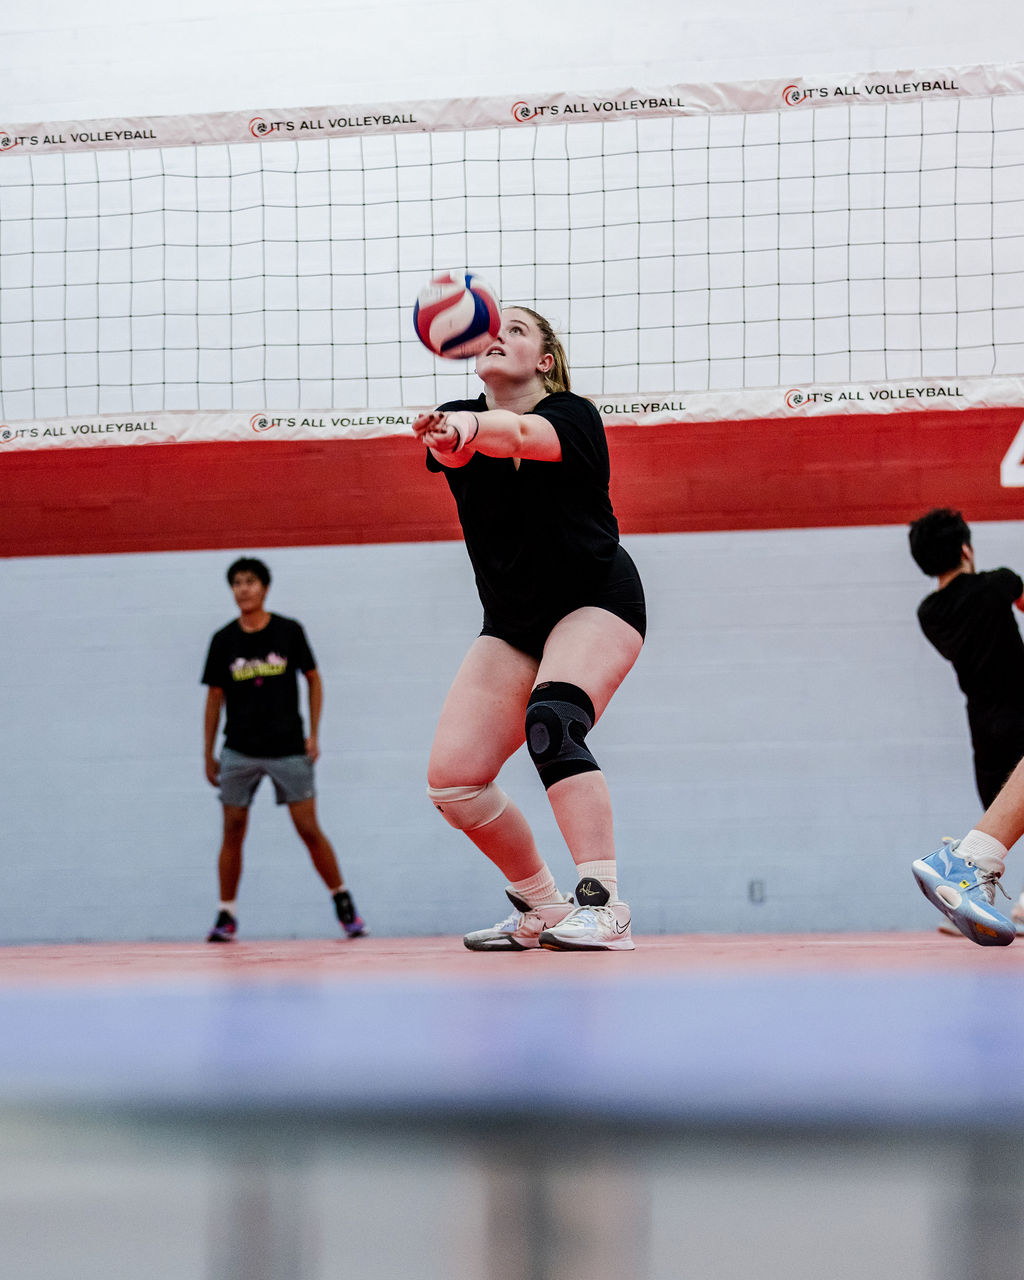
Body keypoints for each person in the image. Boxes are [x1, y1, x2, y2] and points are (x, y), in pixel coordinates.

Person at [412, 306, 646, 951]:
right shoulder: (459, 413)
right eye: (492, 329)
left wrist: (465, 425)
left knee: (553, 722)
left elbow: (516, 436)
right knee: (455, 783)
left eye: (516, 330)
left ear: (544, 359)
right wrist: (451, 435)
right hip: (513, 623)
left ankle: (604, 907)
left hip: (596, 599)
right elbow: (462, 453)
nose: (498, 334)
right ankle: (543, 905)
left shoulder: (573, 415)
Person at [201, 557, 365, 942]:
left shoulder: (288, 632)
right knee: (233, 828)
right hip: (238, 749)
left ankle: (343, 903)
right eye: (237, 582)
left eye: (251, 581)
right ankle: (226, 915)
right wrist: (208, 752)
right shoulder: (223, 640)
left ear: (264, 588)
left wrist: (314, 735)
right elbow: (213, 698)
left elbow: (314, 679)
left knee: (308, 827)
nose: (244, 588)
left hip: (288, 746)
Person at [908, 508, 1024, 941]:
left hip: (982, 722)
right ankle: (973, 874)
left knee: (1001, 814)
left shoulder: (930, 612)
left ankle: (971, 895)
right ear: (964, 548)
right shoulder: (996, 584)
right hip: (1019, 708)